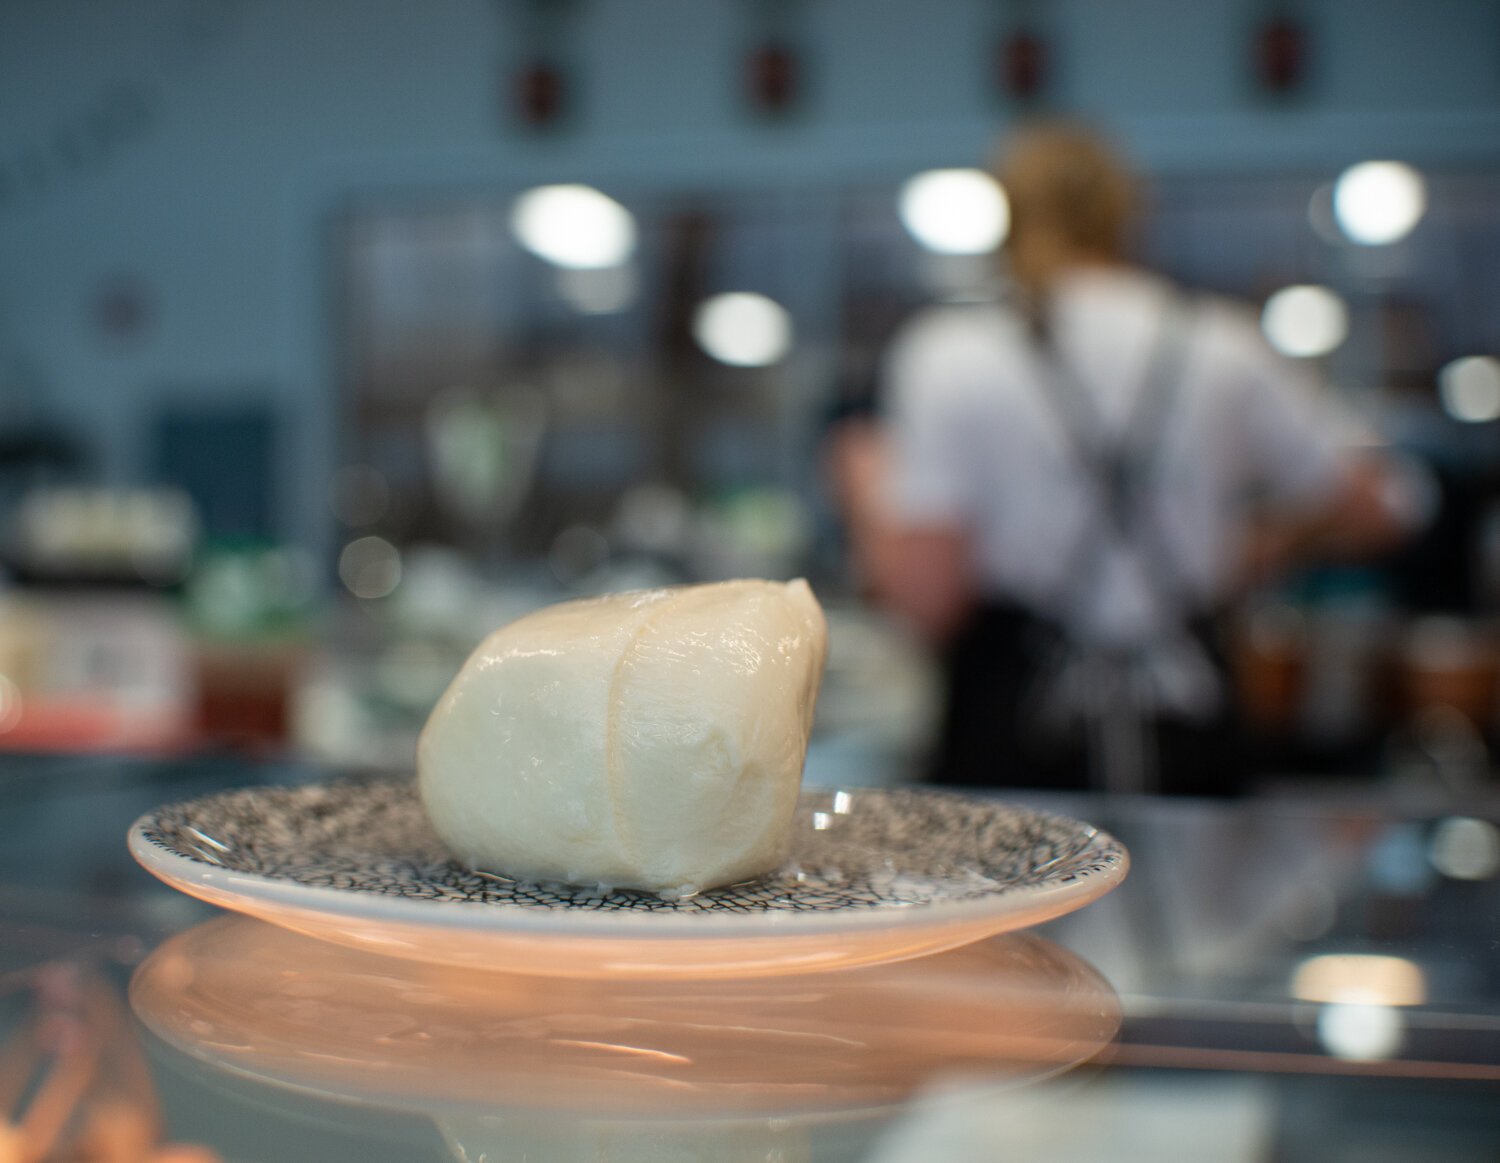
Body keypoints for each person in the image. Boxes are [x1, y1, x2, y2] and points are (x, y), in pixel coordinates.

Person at [832, 121, 1413, 796]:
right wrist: (1260, 544)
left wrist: (867, 493)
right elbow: (1385, 503)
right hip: (1191, 716)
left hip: (1014, 728)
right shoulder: (1220, 343)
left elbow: (927, 601)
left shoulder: (951, 352)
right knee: (1199, 901)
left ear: (1011, 216)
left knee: (1020, 900)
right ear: (1125, 216)